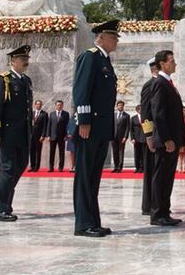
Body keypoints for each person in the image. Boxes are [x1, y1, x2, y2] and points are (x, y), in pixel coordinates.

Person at [72, 20, 119, 237]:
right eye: (113, 36)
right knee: (85, 175)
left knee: (93, 176)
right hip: (89, 127)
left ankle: (93, 220)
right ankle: (83, 224)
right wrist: (84, 121)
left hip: (101, 128)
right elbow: (81, 90)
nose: (116, 40)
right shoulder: (89, 57)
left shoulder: (105, 61)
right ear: (101, 37)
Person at [0, 45, 34, 222]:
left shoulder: (26, 81)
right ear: (13, 61)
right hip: (8, 133)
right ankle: (1, 209)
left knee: (22, 164)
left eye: (27, 59)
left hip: (23, 133)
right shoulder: (3, 81)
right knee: (7, 169)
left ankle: (0, 193)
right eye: (23, 59)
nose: (26, 61)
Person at [149, 50, 184, 226]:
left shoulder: (168, 83)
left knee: (167, 177)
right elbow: (159, 114)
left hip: (172, 139)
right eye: (172, 61)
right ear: (162, 64)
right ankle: (157, 213)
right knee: (161, 177)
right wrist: (167, 139)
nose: (174, 63)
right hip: (166, 140)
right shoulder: (160, 84)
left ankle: (164, 210)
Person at [139, 57, 160, 216]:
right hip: (153, 136)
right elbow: (145, 112)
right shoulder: (149, 85)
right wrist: (149, 135)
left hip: (161, 135)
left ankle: (157, 203)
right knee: (151, 172)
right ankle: (149, 205)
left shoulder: (161, 84)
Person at [48, 100, 69, 172]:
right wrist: (48, 135)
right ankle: (51, 167)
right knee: (52, 153)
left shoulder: (66, 114)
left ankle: (60, 168)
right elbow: (49, 125)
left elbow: (67, 126)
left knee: (61, 153)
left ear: (62, 106)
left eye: (60, 105)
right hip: (53, 136)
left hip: (62, 137)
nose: (59, 106)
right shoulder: (52, 114)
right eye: (58, 105)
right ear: (55, 106)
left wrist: (66, 135)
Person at [110, 100, 130, 173]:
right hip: (114, 136)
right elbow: (111, 126)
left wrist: (125, 137)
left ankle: (120, 167)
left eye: (121, 105)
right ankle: (115, 166)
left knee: (121, 152)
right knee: (115, 152)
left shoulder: (126, 116)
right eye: (119, 105)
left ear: (123, 106)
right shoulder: (113, 115)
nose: (120, 106)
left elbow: (128, 127)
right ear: (117, 106)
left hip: (122, 137)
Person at [29, 99, 48, 172]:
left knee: (38, 151)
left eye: (40, 104)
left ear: (41, 105)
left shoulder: (44, 114)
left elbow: (45, 125)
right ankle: (32, 166)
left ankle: (36, 167)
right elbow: (29, 124)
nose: (38, 105)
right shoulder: (32, 113)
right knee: (31, 151)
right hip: (32, 135)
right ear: (35, 105)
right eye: (37, 104)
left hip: (39, 136)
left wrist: (43, 135)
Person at [130, 104, 146, 173]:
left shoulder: (145, 118)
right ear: (137, 110)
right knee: (137, 154)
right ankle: (137, 167)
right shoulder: (133, 118)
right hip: (136, 138)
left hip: (143, 138)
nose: (140, 110)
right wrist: (132, 138)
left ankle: (142, 168)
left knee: (143, 154)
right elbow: (131, 129)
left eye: (141, 109)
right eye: (139, 109)